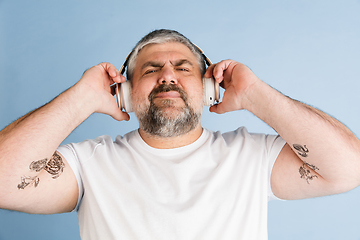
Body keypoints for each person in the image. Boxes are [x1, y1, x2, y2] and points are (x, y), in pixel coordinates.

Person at [0, 29, 359, 240]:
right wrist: (80, 98)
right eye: (151, 69)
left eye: (183, 67)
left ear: (209, 90)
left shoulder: (252, 157)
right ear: (124, 93)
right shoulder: (89, 165)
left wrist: (255, 95)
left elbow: (348, 168)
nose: (167, 76)